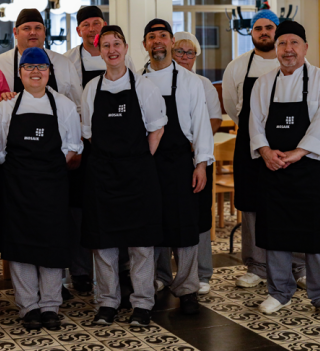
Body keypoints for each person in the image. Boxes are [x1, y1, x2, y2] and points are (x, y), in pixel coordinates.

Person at [249, 20, 320, 318]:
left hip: (309, 169)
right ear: (276, 49)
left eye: (294, 43)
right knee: (275, 233)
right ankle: (279, 292)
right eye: (282, 44)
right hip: (273, 168)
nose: (288, 50)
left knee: (317, 233)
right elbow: (255, 123)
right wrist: (265, 152)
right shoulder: (264, 82)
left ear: (305, 48)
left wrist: (298, 152)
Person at [81, 25, 167, 327]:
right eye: (106, 45)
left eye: (116, 44)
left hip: (137, 175)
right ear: (100, 51)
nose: (112, 50)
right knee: (103, 244)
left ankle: (142, 304)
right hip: (103, 175)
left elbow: (157, 128)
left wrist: (138, 159)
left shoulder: (144, 87)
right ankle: (107, 303)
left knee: (141, 244)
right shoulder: (92, 89)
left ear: (126, 47)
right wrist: (111, 159)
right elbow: (89, 134)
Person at [0, 47, 82, 331]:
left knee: (53, 247)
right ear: (19, 73)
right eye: (28, 67)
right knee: (21, 248)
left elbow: (73, 148)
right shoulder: (6, 107)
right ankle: (28, 306)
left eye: (40, 67)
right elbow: (0, 149)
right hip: (17, 188)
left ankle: (50, 306)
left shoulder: (64, 106)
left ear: (49, 72)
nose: (35, 72)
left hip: (53, 189)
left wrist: (48, 172)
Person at [222, 10, 306, 289]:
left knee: (290, 205)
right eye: (258, 28)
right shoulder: (237, 66)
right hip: (250, 147)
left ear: (278, 31)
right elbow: (235, 108)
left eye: (269, 27)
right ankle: (256, 266)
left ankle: (298, 265)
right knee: (251, 205)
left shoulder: (297, 65)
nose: (264, 32)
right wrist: (258, 139)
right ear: (252, 33)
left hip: (288, 148)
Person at [142, 19, 214, 315]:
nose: (157, 41)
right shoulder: (137, 80)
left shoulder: (190, 82)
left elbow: (201, 126)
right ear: (145, 44)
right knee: (153, 224)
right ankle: (158, 279)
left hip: (181, 161)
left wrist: (201, 165)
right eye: (151, 36)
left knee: (185, 227)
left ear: (171, 41)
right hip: (148, 163)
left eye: (162, 35)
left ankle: (187, 288)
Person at [63, 6, 136, 295]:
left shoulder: (124, 58)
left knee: (120, 208)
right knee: (81, 210)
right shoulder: (68, 61)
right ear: (78, 30)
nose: (92, 29)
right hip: (84, 144)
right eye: (86, 25)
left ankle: (124, 268)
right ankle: (81, 271)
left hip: (122, 149)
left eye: (97, 23)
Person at [155, 31, 222, 296]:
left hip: (196, 158)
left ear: (196, 56)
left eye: (190, 53)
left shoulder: (202, 83)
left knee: (198, 218)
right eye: (179, 51)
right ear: (171, 51)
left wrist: (198, 146)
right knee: (160, 217)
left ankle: (200, 274)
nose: (184, 57)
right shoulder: (147, 77)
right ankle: (161, 274)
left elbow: (214, 119)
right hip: (162, 160)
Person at [0, 9, 82, 111]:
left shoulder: (64, 63)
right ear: (15, 32)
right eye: (26, 28)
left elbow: (78, 107)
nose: (33, 32)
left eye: (38, 28)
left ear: (44, 32)